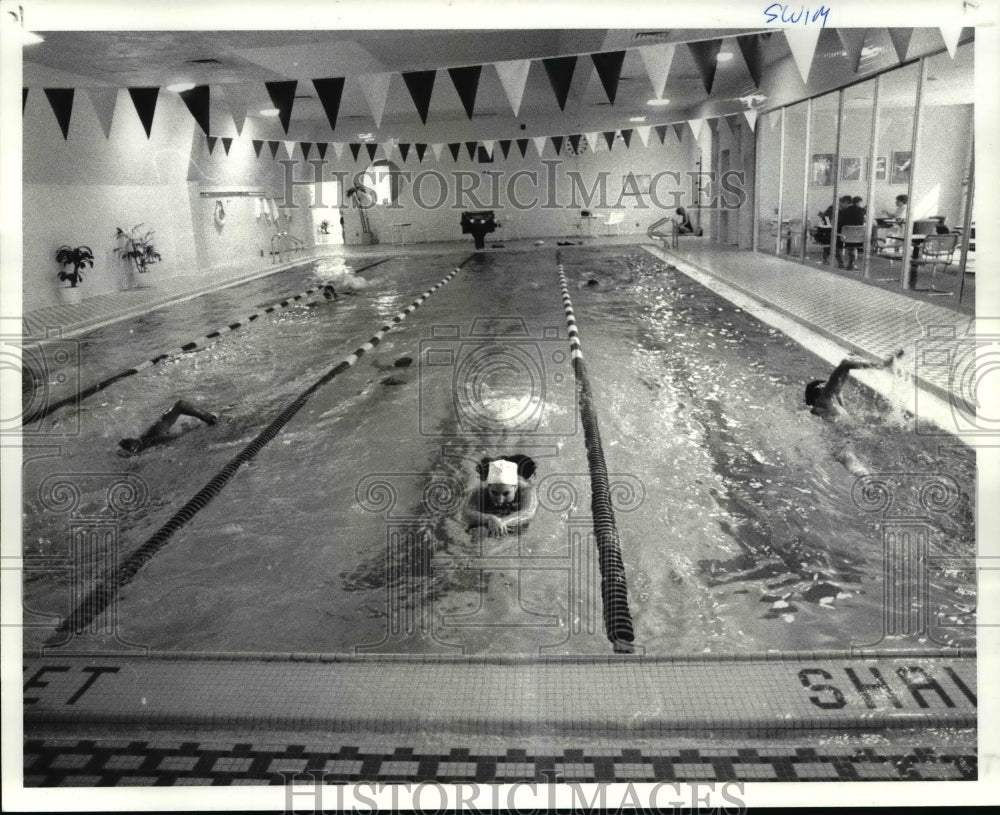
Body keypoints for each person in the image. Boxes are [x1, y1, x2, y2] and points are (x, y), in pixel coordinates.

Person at [804, 350, 903, 418]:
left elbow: (844, 365)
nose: (828, 385)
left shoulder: (830, 401)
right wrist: (881, 366)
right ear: (820, 390)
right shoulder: (825, 397)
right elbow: (845, 365)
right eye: (824, 385)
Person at [462, 455, 538, 536]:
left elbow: (528, 513)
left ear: (515, 488)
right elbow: (466, 513)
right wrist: (489, 518)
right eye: (494, 493)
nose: (500, 499)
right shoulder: (479, 489)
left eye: (506, 493)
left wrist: (502, 522)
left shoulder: (526, 489)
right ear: (488, 487)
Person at [118, 399, 218, 455]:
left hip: (145, 441)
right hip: (148, 440)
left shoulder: (149, 437)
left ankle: (208, 418)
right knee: (180, 405)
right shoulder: (152, 439)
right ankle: (209, 418)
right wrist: (187, 431)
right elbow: (162, 439)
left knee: (180, 406)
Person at [837, 196, 867, 270]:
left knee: (836, 238)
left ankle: (841, 262)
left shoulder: (843, 211)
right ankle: (852, 263)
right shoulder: (862, 210)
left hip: (846, 237)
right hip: (858, 238)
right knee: (853, 245)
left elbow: (839, 225)